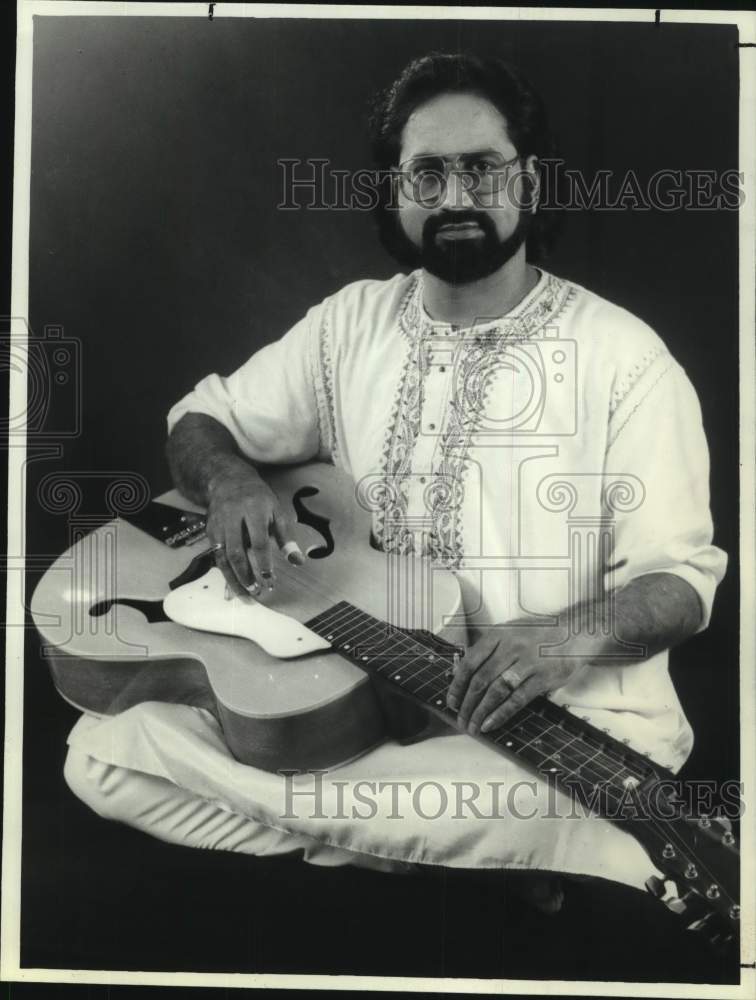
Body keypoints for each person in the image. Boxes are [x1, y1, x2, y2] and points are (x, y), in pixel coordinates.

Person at [64, 52, 727, 912]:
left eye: (482, 168)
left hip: (547, 732)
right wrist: (228, 480)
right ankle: (432, 853)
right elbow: (201, 418)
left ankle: (487, 842)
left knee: (523, 807)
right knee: (98, 753)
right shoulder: (350, 324)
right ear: (395, 190)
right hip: (350, 704)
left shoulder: (626, 359)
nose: (455, 196)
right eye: (428, 172)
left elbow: (682, 583)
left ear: (530, 179)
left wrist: (556, 641)